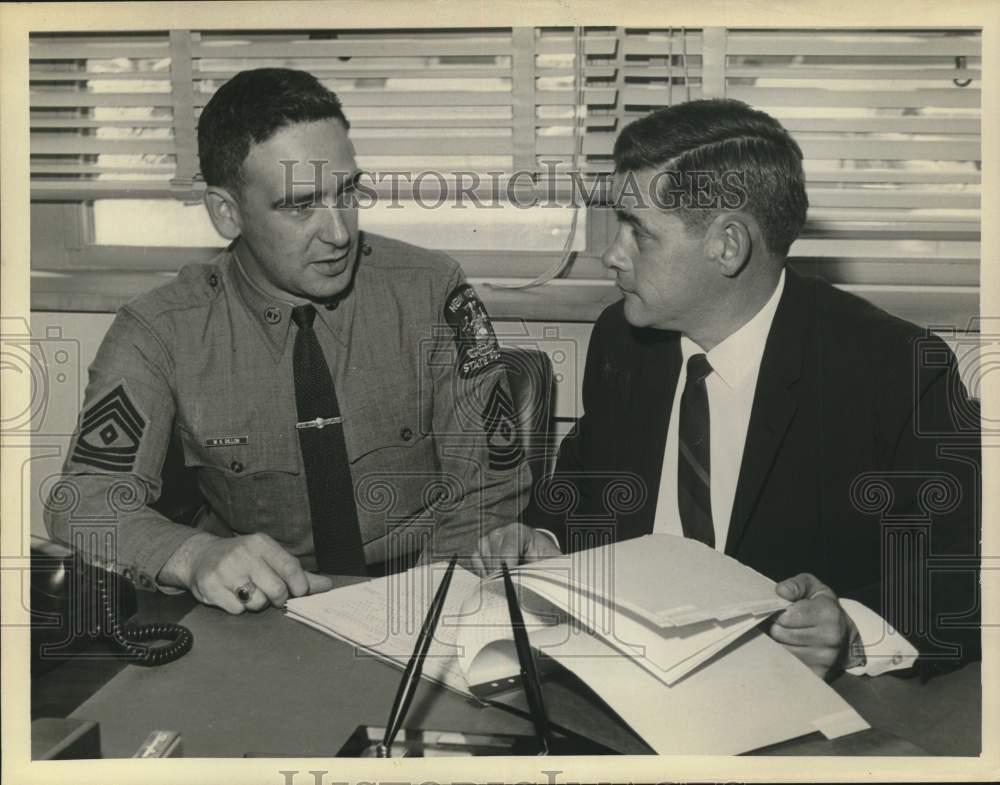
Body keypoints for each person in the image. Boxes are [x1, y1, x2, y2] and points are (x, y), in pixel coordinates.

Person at [45, 67, 558, 615]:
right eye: (299, 205)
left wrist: (426, 606)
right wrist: (193, 556)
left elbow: (487, 490)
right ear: (226, 212)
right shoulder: (161, 329)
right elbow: (82, 502)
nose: (338, 232)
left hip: (421, 587)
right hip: (260, 610)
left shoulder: (432, 292)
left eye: (347, 192)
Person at [525, 99, 980, 681]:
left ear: (728, 246)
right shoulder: (623, 339)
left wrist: (850, 631)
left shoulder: (895, 369)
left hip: (791, 697)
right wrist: (542, 537)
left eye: (639, 231)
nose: (611, 254)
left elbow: (962, 575)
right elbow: (584, 483)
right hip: (628, 678)